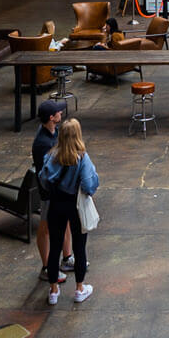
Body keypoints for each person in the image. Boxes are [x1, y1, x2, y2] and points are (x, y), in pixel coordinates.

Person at [40, 118, 100, 305]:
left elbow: (43, 179)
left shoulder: (51, 156)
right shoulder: (82, 157)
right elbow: (89, 185)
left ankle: (53, 290)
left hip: (56, 205)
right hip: (75, 206)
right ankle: (80, 288)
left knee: (55, 246)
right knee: (79, 247)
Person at [31, 100, 74, 283]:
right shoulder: (43, 143)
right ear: (51, 117)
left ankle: (67, 258)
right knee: (46, 229)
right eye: (58, 112)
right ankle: (47, 268)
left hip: (60, 190)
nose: (61, 113)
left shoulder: (54, 132)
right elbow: (47, 174)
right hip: (50, 193)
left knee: (66, 223)